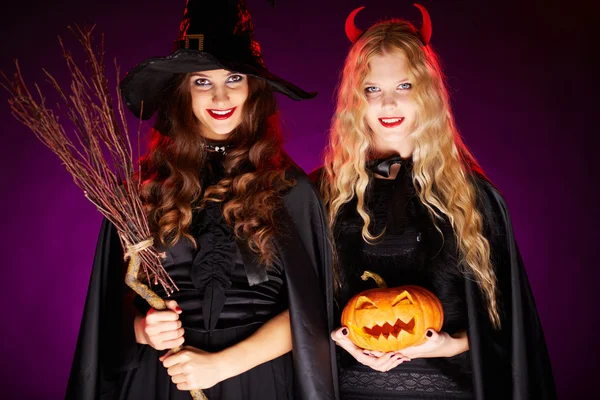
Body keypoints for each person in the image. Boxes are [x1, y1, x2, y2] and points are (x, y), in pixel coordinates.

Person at [65, 1, 337, 399]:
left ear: (253, 89)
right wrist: (143, 329)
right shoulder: (143, 190)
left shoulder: (290, 189)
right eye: (202, 82)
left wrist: (220, 366)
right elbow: (108, 307)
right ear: (182, 92)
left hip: (257, 381)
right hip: (162, 379)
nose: (221, 96)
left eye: (235, 78)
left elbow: (312, 313)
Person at [311, 4, 555, 399]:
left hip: (448, 389)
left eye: (403, 87)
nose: (388, 104)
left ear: (427, 93)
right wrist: (342, 340)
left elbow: (507, 324)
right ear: (355, 100)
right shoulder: (322, 193)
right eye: (372, 89)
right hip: (352, 389)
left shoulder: (471, 196)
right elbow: (297, 307)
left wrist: (449, 344)